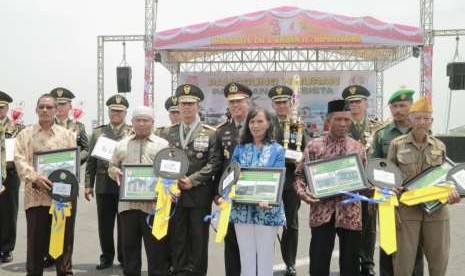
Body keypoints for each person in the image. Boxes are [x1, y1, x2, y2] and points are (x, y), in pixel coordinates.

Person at [388, 96, 461, 276]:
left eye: (427, 118)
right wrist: (391, 193)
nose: (422, 122)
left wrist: (453, 194)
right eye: (418, 117)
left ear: (431, 121)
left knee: (439, 262)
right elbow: (389, 177)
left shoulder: (439, 146)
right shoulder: (397, 145)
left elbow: (447, 178)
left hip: (437, 210)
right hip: (407, 211)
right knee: (403, 264)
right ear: (410, 119)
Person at [294, 99, 367, 276]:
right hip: (322, 212)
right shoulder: (314, 146)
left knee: (351, 266)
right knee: (319, 263)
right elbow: (299, 176)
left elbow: (366, 181)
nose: (343, 124)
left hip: (350, 214)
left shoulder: (358, 148)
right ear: (328, 120)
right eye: (338, 119)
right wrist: (304, 193)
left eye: (347, 120)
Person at [161, 84, 221, 276]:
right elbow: (161, 161)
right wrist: (172, 182)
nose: (186, 107)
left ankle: (197, 272)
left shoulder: (211, 133)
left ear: (198, 106)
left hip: (199, 194)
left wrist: (193, 180)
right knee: (177, 237)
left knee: (198, 237)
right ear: (178, 106)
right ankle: (179, 271)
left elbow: (214, 163)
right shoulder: (167, 132)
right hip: (174, 195)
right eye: (183, 104)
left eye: (190, 104)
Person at [14, 93, 77, 276]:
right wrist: (34, 177)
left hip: (60, 200)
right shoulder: (25, 135)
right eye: (41, 107)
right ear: (36, 110)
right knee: (35, 245)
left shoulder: (67, 135)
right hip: (35, 199)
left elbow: (72, 165)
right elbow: (19, 159)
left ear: (56, 110)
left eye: (49, 107)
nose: (45, 110)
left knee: (63, 245)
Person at [108, 105, 171, 276]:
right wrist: (115, 172)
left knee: (157, 253)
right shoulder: (122, 145)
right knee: (130, 254)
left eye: (146, 120)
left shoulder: (163, 144)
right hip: (127, 207)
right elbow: (111, 166)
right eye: (138, 120)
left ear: (153, 123)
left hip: (154, 208)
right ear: (132, 122)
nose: (142, 124)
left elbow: (170, 171)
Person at [370, 88, 424, 276]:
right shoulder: (381, 135)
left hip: (414, 197)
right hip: (388, 197)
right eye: (394, 106)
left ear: (411, 106)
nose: (398, 110)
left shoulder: (421, 130)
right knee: (388, 245)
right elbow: (374, 166)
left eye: (403, 105)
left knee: (415, 245)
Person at [229, 107, 286, 276]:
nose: (255, 125)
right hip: (242, 209)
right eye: (252, 121)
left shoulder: (277, 150)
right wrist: (227, 191)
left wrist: (267, 197)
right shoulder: (240, 148)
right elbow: (232, 175)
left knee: (265, 257)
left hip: (267, 208)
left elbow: (278, 177)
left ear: (269, 124)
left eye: (260, 121)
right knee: (245, 256)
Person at [84, 94, 131, 269]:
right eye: (113, 110)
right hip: (104, 184)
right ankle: (106, 257)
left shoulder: (132, 131)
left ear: (125, 112)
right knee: (105, 224)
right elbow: (91, 162)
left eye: (120, 111)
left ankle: (124, 257)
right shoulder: (98, 133)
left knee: (125, 225)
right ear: (108, 111)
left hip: (125, 184)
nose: (116, 114)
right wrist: (89, 185)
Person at [268, 85, 308, 276]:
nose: (281, 105)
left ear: (291, 103)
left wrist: (299, 158)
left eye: (284, 102)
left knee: (290, 224)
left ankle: (290, 263)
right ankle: (265, 260)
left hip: (291, 183)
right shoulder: (265, 124)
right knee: (267, 223)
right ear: (273, 105)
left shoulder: (298, 125)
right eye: (277, 102)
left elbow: (307, 152)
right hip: (269, 183)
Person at [213, 82, 252, 276]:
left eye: (240, 101)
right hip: (229, 196)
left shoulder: (260, 126)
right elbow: (217, 165)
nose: (236, 105)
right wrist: (217, 193)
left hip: (253, 193)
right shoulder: (221, 131)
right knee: (231, 240)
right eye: (232, 102)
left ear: (248, 103)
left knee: (252, 241)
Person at [342, 85, 380, 276]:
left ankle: (367, 263)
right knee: (349, 226)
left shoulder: (377, 128)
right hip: (348, 185)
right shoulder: (342, 127)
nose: (354, 105)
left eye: (358, 101)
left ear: (366, 103)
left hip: (370, 185)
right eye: (351, 102)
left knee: (369, 227)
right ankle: (351, 262)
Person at [0, 91, 25, 263]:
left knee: (9, 213)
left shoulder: (17, 128)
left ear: (7, 108)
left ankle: (6, 248)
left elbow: (23, 150)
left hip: (9, 174)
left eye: (1, 107)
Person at [49, 87, 89, 165]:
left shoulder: (78, 126)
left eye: (63, 104)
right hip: (50, 167)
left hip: (72, 169)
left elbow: (86, 149)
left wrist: (77, 158)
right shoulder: (47, 125)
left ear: (70, 106)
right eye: (56, 104)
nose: (59, 107)